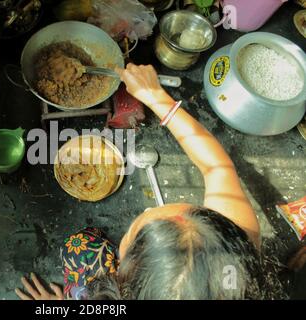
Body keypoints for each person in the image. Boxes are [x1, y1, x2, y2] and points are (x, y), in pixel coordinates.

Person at [15, 64, 283, 300]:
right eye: (199, 214)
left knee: (79, 249)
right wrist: (156, 98)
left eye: (134, 237)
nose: (145, 212)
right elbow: (217, 167)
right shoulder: (239, 240)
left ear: (125, 282)